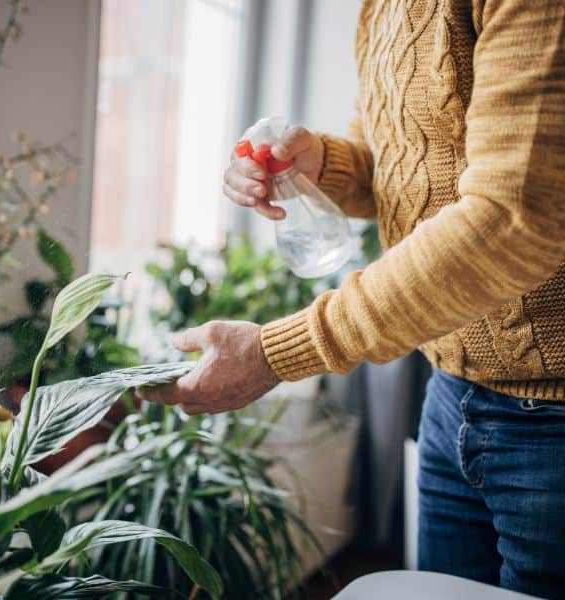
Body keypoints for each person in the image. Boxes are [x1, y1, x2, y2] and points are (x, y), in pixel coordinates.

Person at [138, 1, 565, 597]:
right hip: (451, 394)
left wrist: (276, 353)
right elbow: (401, 163)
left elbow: (514, 218)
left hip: (553, 430)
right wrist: (321, 162)